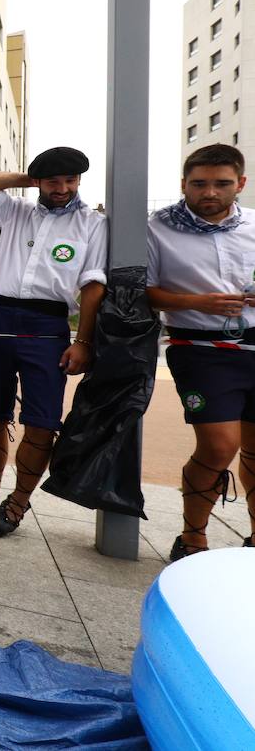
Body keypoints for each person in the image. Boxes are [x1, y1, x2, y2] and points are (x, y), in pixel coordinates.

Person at [0, 147, 107, 538]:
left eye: (70, 180)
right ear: (39, 182)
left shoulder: (92, 224)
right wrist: (33, 179)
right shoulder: (17, 211)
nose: (63, 189)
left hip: (48, 323)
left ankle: (18, 502)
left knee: (42, 421)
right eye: (53, 181)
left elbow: (92, 288)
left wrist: (84, 341)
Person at [145, 144, 255, 559]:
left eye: (222, 184)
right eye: (199, 184)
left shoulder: (253, 225)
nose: (210, 192)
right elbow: (146, 293)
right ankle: (193, 536)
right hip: (200, 346)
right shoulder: (158, 228)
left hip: (253, 344)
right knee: (220, 445)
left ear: (240, 184)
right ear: (183, 185)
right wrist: (198, 302)